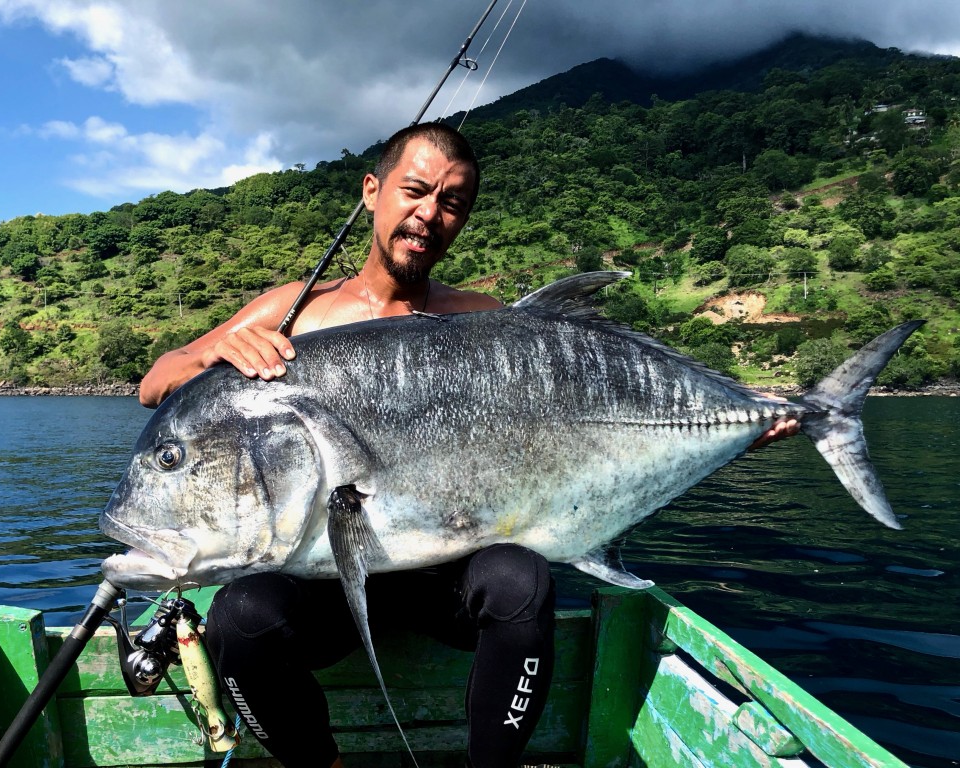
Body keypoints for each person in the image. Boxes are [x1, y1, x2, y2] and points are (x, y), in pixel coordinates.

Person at [139, 122, 797, 767]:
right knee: (239, 616)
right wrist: (213, 354)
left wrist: (737, 430)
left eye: (451, 203)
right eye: (415, 191)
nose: (430, 213)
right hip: (326, 576)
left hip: (445, 571)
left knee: (521, 578)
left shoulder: (484, 322)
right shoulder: (295, 310)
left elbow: (582, 428)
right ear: (372, 190)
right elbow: (155, 383)